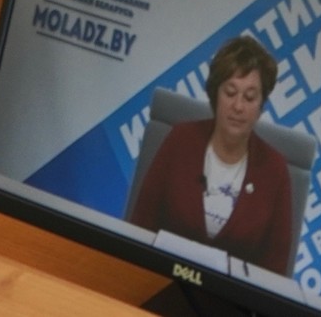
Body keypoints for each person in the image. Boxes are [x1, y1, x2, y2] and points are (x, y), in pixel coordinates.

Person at [126, 36, 297, 275]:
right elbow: (140, 226)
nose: (238, 106)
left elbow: (275, 271)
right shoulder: (180, 140)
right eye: (230, 92)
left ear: (261, 106)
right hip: (159, 278)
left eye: (249, 97)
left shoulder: (274, 170)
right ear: (215, 95)